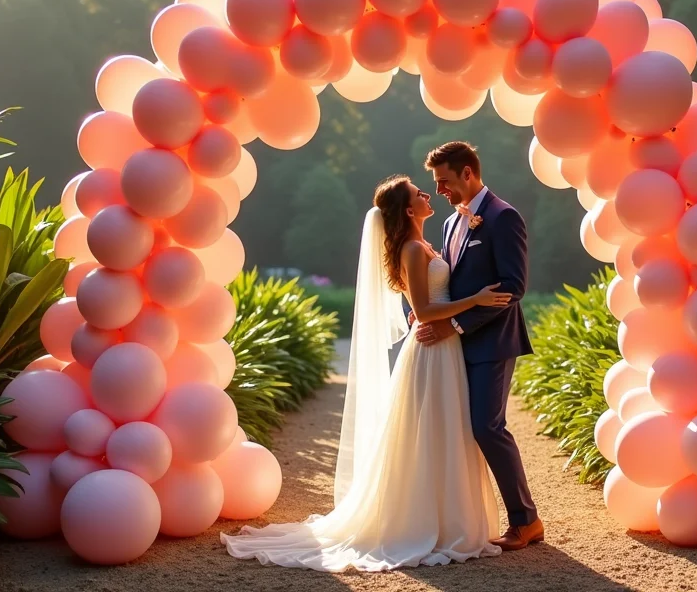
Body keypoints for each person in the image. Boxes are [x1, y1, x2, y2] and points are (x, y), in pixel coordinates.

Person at [220, 172, 511, 572]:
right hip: (432, 348)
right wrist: (475, 300)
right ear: (408, 210)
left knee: (445, 429)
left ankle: (448, 520)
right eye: (419, 193)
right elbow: (424, 310)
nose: (428, 196)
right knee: (434, 430)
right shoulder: (413, 249)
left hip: (443, 347)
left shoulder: (424, 244)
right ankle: (431, 523)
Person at [415, 141, 542, 550]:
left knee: (488, 427)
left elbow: (513, 287)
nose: (439, 190)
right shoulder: (451, 223)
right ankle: (459, 521)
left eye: (444, 181)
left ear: (467, 173)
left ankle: (526, 520)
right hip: (454, 349)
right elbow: (447, 283)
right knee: (458, 430)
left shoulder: (504, 217)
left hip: (492, 342)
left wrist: (455, 324)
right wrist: (422, 313)